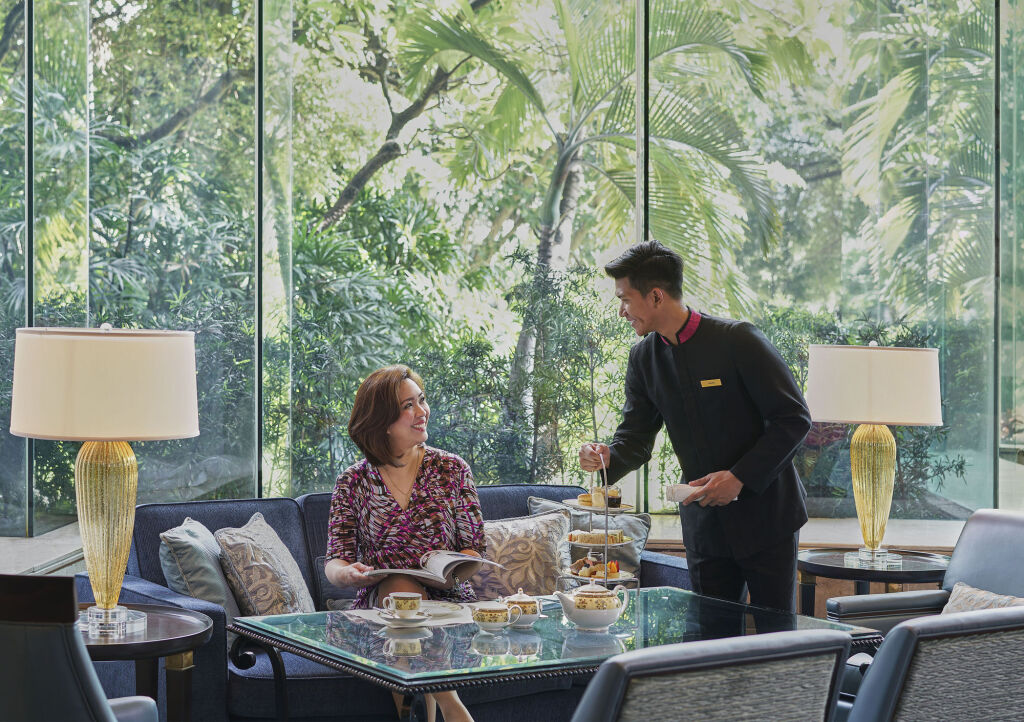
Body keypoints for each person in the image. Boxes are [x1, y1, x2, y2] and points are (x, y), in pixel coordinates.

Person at [578, 241, 811, 612]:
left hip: (768, 520)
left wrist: (739, 477)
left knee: (776, 635)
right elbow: (635, 438)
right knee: (710, 639)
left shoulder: (739, 340)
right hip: (704, 528)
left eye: (625, 299)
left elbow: (793, 418)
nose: (622, 311)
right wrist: (607, 456)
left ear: (656, 296)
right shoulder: (643, 359)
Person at [325, 364, 484, 722]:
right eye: (408, 405)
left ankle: (424, 712)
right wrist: (348, 574)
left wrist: (451, 570)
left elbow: (473, 547)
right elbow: (335, 560)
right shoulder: (353, 482)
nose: (422, 411)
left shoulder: (452, 469)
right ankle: (451, 706)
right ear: (382, 421)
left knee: (405, 611)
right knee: (399, 588)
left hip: (448, 599)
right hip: (383, 605)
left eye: (421, 400)